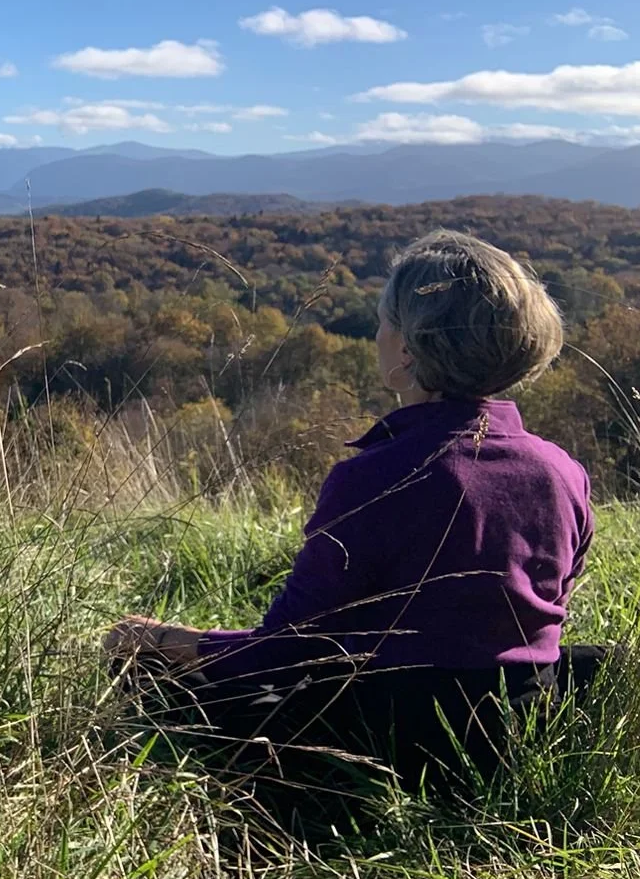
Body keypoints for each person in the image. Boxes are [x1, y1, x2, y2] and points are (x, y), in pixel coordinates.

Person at [107, 229, 606, 814]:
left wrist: (171, 641)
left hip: (393, 741)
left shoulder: (372, 478)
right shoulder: (562, 473)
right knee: (595, 662)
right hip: (516, 728)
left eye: (383, 320)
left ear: (409, 349)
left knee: (142, 663)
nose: (377, 335)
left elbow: (286, 652)